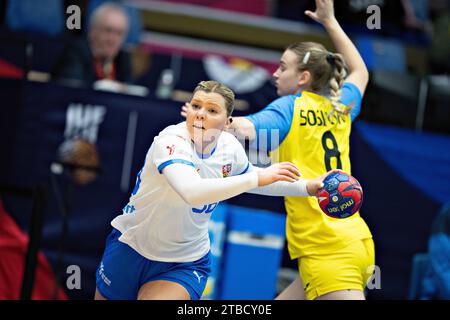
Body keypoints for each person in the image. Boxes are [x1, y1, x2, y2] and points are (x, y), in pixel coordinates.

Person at [181, 0, 373, 300]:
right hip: (349, 241)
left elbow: (250, 127)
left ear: (303, 78)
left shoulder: (291, 105)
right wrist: (330, 22)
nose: (275, 73)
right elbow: (360, 70)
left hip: (327, 248)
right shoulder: (341, 105)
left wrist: (210, 119)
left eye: (283, 67)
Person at [94, 80, 329, 300]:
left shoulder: (230, 148)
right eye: (196, 106)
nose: (201, 114)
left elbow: (258, 181)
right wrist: (257, 177)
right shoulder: (170, 140)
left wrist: (308, 187)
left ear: (228, 123)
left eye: (212, 110)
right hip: (131, 245)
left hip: (184, 261)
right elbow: (191, 191)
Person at [52, 2, 133, 86]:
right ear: (93, 30)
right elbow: (72, 90)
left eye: (119, 33)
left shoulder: (122, 59)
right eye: (108, 31)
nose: (112, 40)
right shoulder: (75, 52)